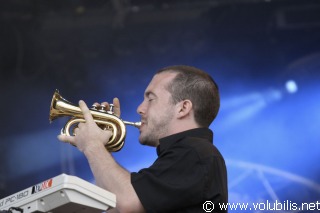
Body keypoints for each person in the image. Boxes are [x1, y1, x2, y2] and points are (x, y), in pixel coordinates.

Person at [58, 65, 228, 213]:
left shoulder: (194, 152)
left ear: (183, 108)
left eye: (151, 99)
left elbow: (127, 202)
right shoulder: (187, 155)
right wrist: (102, 150)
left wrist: (93, 145)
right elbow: (116, 208)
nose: (140, 108)